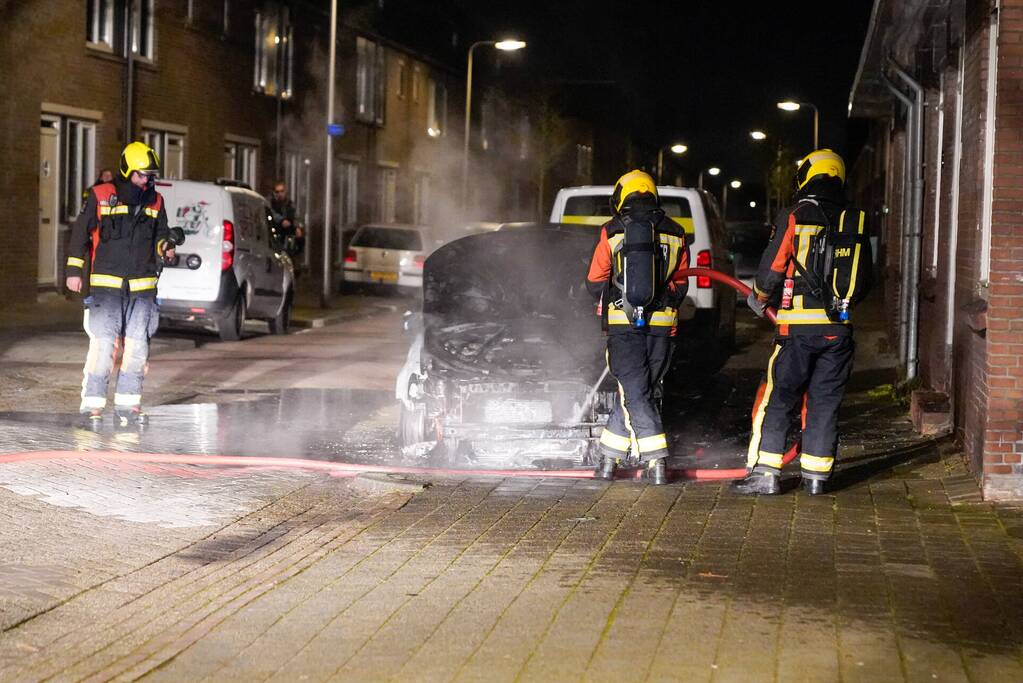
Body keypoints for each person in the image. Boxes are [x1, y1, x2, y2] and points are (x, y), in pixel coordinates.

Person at [734, 149, 869, 496]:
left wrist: (759, 297)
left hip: (796, 331)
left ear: (808, 175)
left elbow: (772, 267)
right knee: (825, 402)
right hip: (838, 330)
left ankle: (766, 473)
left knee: (779, 398)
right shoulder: (854, 218)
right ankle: (816, 478)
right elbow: (866, 278)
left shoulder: (797, 214)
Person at [586, 170, 690, 485]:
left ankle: (656, 458)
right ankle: (607, 459)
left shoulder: (612, 230)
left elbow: (594, 282)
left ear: (621, 197)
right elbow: (682, 283)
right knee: (639, 393)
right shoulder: (676, 231)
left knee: (635, 392)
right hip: (662, 329)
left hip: (624, 327)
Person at [65, 142, 174, 426]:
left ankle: (128, 407)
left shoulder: (157, 201)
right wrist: (73, 271)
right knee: (103, 348)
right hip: (106, 288)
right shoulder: (101, 195)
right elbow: (80, 235)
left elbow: (161, 235)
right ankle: (92, 407)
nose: (147, 180)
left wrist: (166, 247)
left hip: (143, 290)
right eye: (142, 175)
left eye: (151, 176)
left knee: (137, 349)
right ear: (127, 171)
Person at [267, 181, 304, 256]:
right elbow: (271, 213)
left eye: (282, 191)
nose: (279, 194)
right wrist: (281, 220)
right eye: (277, 192)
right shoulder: (270, 203)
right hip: (273, 233)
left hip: (287, 234)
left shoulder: (290, 204)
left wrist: (297, 227)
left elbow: (296, 217)